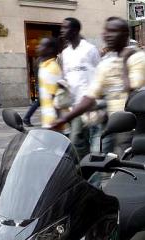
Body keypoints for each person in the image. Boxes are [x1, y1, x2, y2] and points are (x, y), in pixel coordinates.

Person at [50, 17, 145, 156]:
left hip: (132, 126)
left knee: (122, 159)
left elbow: (133, 90)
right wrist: (63, 119)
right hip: (110, 123)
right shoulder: (105, 64)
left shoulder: (138, 58)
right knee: (98, 157)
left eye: (113, 31)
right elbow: (90, 96)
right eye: (106, 31)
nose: (107, 35)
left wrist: (124, 61)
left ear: (125, 35)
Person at [60, 17, 101, 157]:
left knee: (77, 139)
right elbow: (67, 77)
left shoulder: (90, 49)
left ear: (76, 30)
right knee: (79, 140)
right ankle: (86, 169)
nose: (62, 31)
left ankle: (87, 169)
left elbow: (99, 73)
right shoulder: (65, 53)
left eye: (65, 28)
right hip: (74, 106)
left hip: (89, 103)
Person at [35, 37, 63, 129]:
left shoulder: (52, 68)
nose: (38, 47)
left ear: (50, 49)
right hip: (48, 119)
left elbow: (55, 97)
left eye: (42, 45)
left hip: (53, 121)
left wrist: (58, 120)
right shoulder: (44, 66)